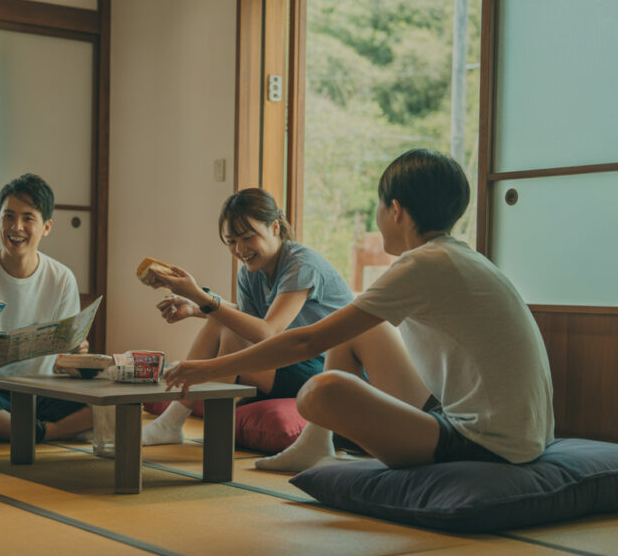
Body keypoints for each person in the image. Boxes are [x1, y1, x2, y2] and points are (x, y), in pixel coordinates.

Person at [164, 149, 554, 472]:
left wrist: (205, 369)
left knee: (321, 392)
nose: (379, 216)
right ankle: (316, 444)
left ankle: (314, 439)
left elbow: (304, 339)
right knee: (357, 326)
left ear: (396, 209)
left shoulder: (420, 265)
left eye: (379, 207)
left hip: (481, 444)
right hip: (514, 437)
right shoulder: (456, 258)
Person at [141, 188, 353, 446]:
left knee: (224, 321)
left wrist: (201, 297)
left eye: (248, 238)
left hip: (324, 367)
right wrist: (195, 306)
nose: (240, 249)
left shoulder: (301, 265)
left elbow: (267, 332)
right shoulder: (251, 271)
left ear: (275, 227)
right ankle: (172, 424)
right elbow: (246, 320)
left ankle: (174, 423)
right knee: (222, 320)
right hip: (287, 358)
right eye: (231, 241)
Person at [0, 173, 91, 443]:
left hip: (45, 390)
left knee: (108, 402)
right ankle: (43, 431)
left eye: (28, 218)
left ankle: (19, 430)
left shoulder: (61, 278)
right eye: (8, 216)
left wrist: (76, 353)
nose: (16, 227)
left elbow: (64, 359)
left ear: (46, 227)